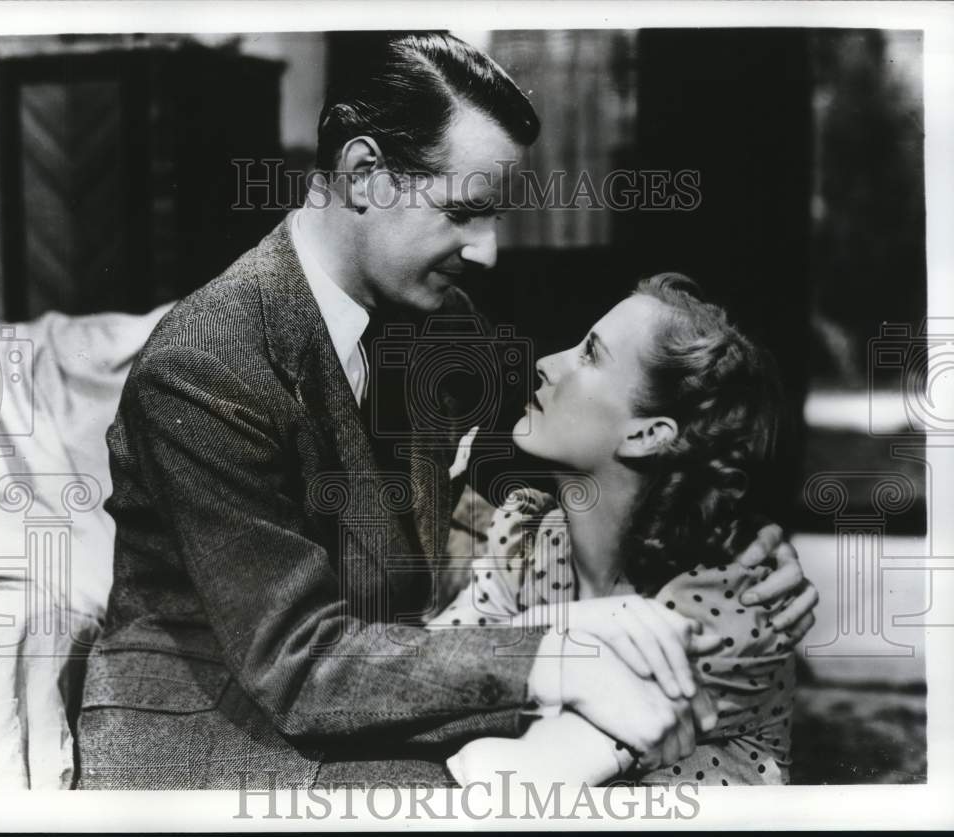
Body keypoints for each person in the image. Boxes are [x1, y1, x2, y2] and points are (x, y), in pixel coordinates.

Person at [77, 33, 817, 789]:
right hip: (214, 725)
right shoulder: (204, 366)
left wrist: (738, 550)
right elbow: (298, 662)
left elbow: (536, 494)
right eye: (464, 211)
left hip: (389, 679)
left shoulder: (441, 320)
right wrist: (557, 648)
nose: (488, 251)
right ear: (365, 173)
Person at [437, 274, 799, 786]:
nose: (546, 363)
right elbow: (411, 683)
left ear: (647, 434)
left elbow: (509, 782)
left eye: (590, 354)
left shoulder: (720, 613)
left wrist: (529, 641)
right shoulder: (527, 538)